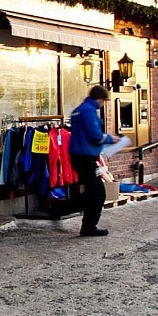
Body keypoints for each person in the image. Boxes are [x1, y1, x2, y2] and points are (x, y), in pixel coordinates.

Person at [69, 84, 117, 238]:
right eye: (103, 101)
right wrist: (111, 139)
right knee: (97, 193)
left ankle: (85, 222)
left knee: (91, 190)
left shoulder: (78, 109)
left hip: (78, 155)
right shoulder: (89, 111)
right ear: (100, 99)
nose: (103, 105)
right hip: (86, 156)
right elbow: (95, 135)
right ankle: (89, 226)